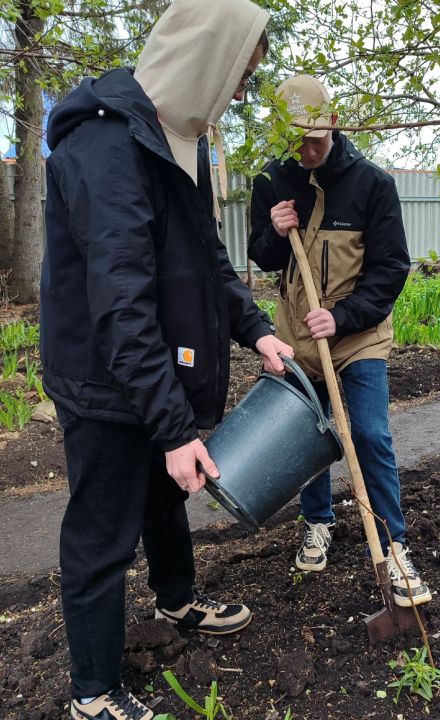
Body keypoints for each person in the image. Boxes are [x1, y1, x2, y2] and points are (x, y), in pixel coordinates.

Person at [40, 2, 292, 718]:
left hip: (148, 374)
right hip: (103, 380)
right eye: (238, 76)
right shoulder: (106, 146)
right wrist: (174, 427)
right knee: (101, 534)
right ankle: (92, 693)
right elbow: (121, 302)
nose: (240, 92)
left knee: (164, 497)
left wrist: (257, 329)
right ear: (207, 61)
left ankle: (177, 601)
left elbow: (206, 255)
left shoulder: (180, 138)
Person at [248, 75, 431, 609]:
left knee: (370, 434)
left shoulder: (371, 184)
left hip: (359, 337)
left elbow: (392, 265)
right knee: (309, 440)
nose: (306, 150)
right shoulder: (271, 181)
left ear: (333, 123)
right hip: (296, 338)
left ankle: (395, 546)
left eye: (315, 138)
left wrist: (344, 317)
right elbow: (262, 259)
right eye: (295, 139)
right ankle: (318, 522)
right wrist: (274, 234)